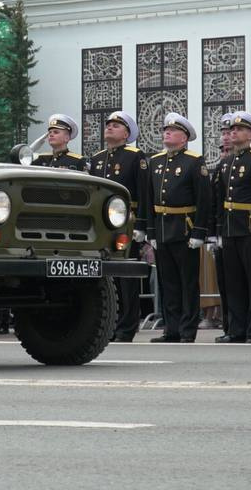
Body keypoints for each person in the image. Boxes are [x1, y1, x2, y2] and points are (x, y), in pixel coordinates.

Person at [208, 111, 251, 343]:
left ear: (250, 134)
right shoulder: (226, 162)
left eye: (238, 130)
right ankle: (236, 329)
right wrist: (216, 232)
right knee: (234, 282)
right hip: (229, 229)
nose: (233, 133)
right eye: (231, 130)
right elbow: (219, 201)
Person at [143, 113, 210, 343]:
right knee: (167, 282)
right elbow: (149, 200)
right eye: (165, 130)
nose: (166, 133)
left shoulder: (194, 161)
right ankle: (171, 329)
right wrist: (151, 233)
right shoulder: (156, 161)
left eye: (173, 131)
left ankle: (187, 329)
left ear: (184, 138)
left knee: (187, 282)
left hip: (184, 229)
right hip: (162, 229)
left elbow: (204, 200)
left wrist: (199, 232)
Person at [89, 110, 147, 343]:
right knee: (105, 275)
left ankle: (127, 326)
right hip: (101, 225)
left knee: (125, 277)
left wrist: (141, 226)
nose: (110, 128)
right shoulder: (98, 158)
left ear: (126, 134)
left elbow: (143, 193)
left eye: (116, 125)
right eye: (108, 124)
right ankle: (109, 324)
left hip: (126, 222)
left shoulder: (135, 157)